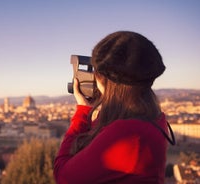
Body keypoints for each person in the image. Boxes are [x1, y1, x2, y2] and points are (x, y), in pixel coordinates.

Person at [53, 31, 175, 184]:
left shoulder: (127, 134)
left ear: (103, 80)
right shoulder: (155, 118)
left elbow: (63, 176)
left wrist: (83, 112)